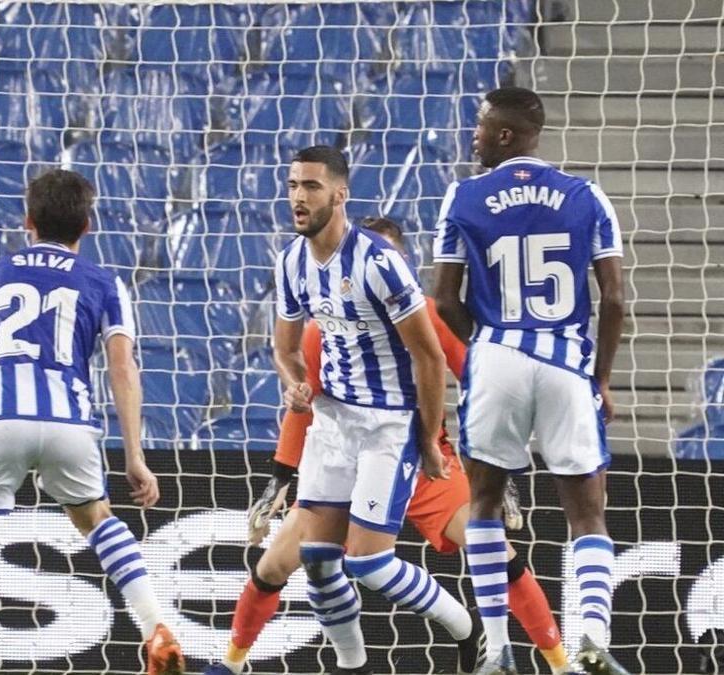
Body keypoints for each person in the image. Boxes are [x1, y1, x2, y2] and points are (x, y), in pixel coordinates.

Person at [204, 217, 567, 675]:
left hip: (423, 459)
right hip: (349, 460)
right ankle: (232, 664)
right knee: (278, 564)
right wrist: (280, 475)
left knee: (494, 552)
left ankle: (560, 663)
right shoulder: (326, 328)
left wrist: (495, 468)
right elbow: (309, 403)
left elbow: (481, 386)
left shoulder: (431, 318)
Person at [0, 169, 184, 675]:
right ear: (89, 225)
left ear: (28, 220)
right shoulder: (104, 282)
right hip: (68, 422)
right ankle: (156, 628)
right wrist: (136, 457)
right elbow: (123, 369)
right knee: (98, 520)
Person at [432, 86, 628, 675]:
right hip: (567, 362)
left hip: (496, 361)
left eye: (482, 126)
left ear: (507, 135)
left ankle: (497, 647)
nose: (474, 135)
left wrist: (489, 345)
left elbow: (443, 300)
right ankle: (591, 634)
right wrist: (600, 377)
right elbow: (615, 299)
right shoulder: (587, 196)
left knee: (486, 506)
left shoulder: (463, 196)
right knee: (587, 515)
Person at [270, 146, 481, 674]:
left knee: (367, 561)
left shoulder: (378, 262)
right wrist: (297, 386)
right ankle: (352, 666)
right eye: (293, 184)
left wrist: (429, 438)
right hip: (332, 422)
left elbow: (430, 355)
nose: (298, 196)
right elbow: (285, 348)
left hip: (388, 425)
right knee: (317, 563)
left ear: (340, 194)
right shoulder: (292, 261)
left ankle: (466, 628)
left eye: (311, 186)